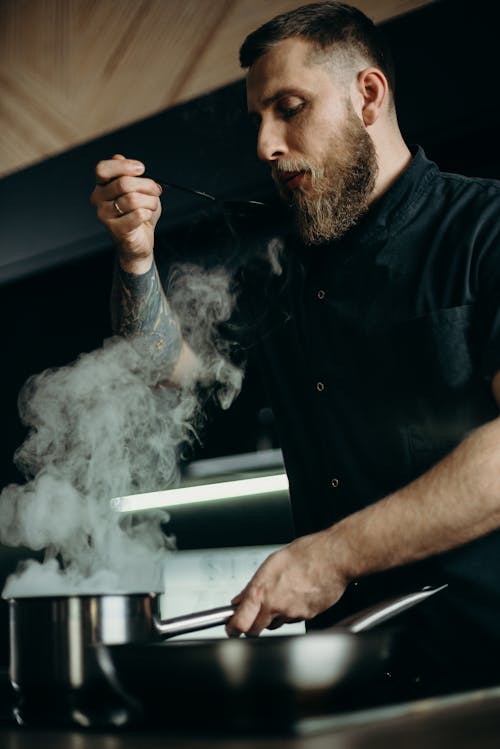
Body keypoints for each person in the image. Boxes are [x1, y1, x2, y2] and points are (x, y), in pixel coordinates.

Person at [91, 2, 500, 685]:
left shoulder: (486, 230)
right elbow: (162, 367)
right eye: (259, 118)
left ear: (368, 96)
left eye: (290, 107)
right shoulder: (282, 273)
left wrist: (332, 555)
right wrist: (136, 256)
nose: (265, 145)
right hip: (351, 684)